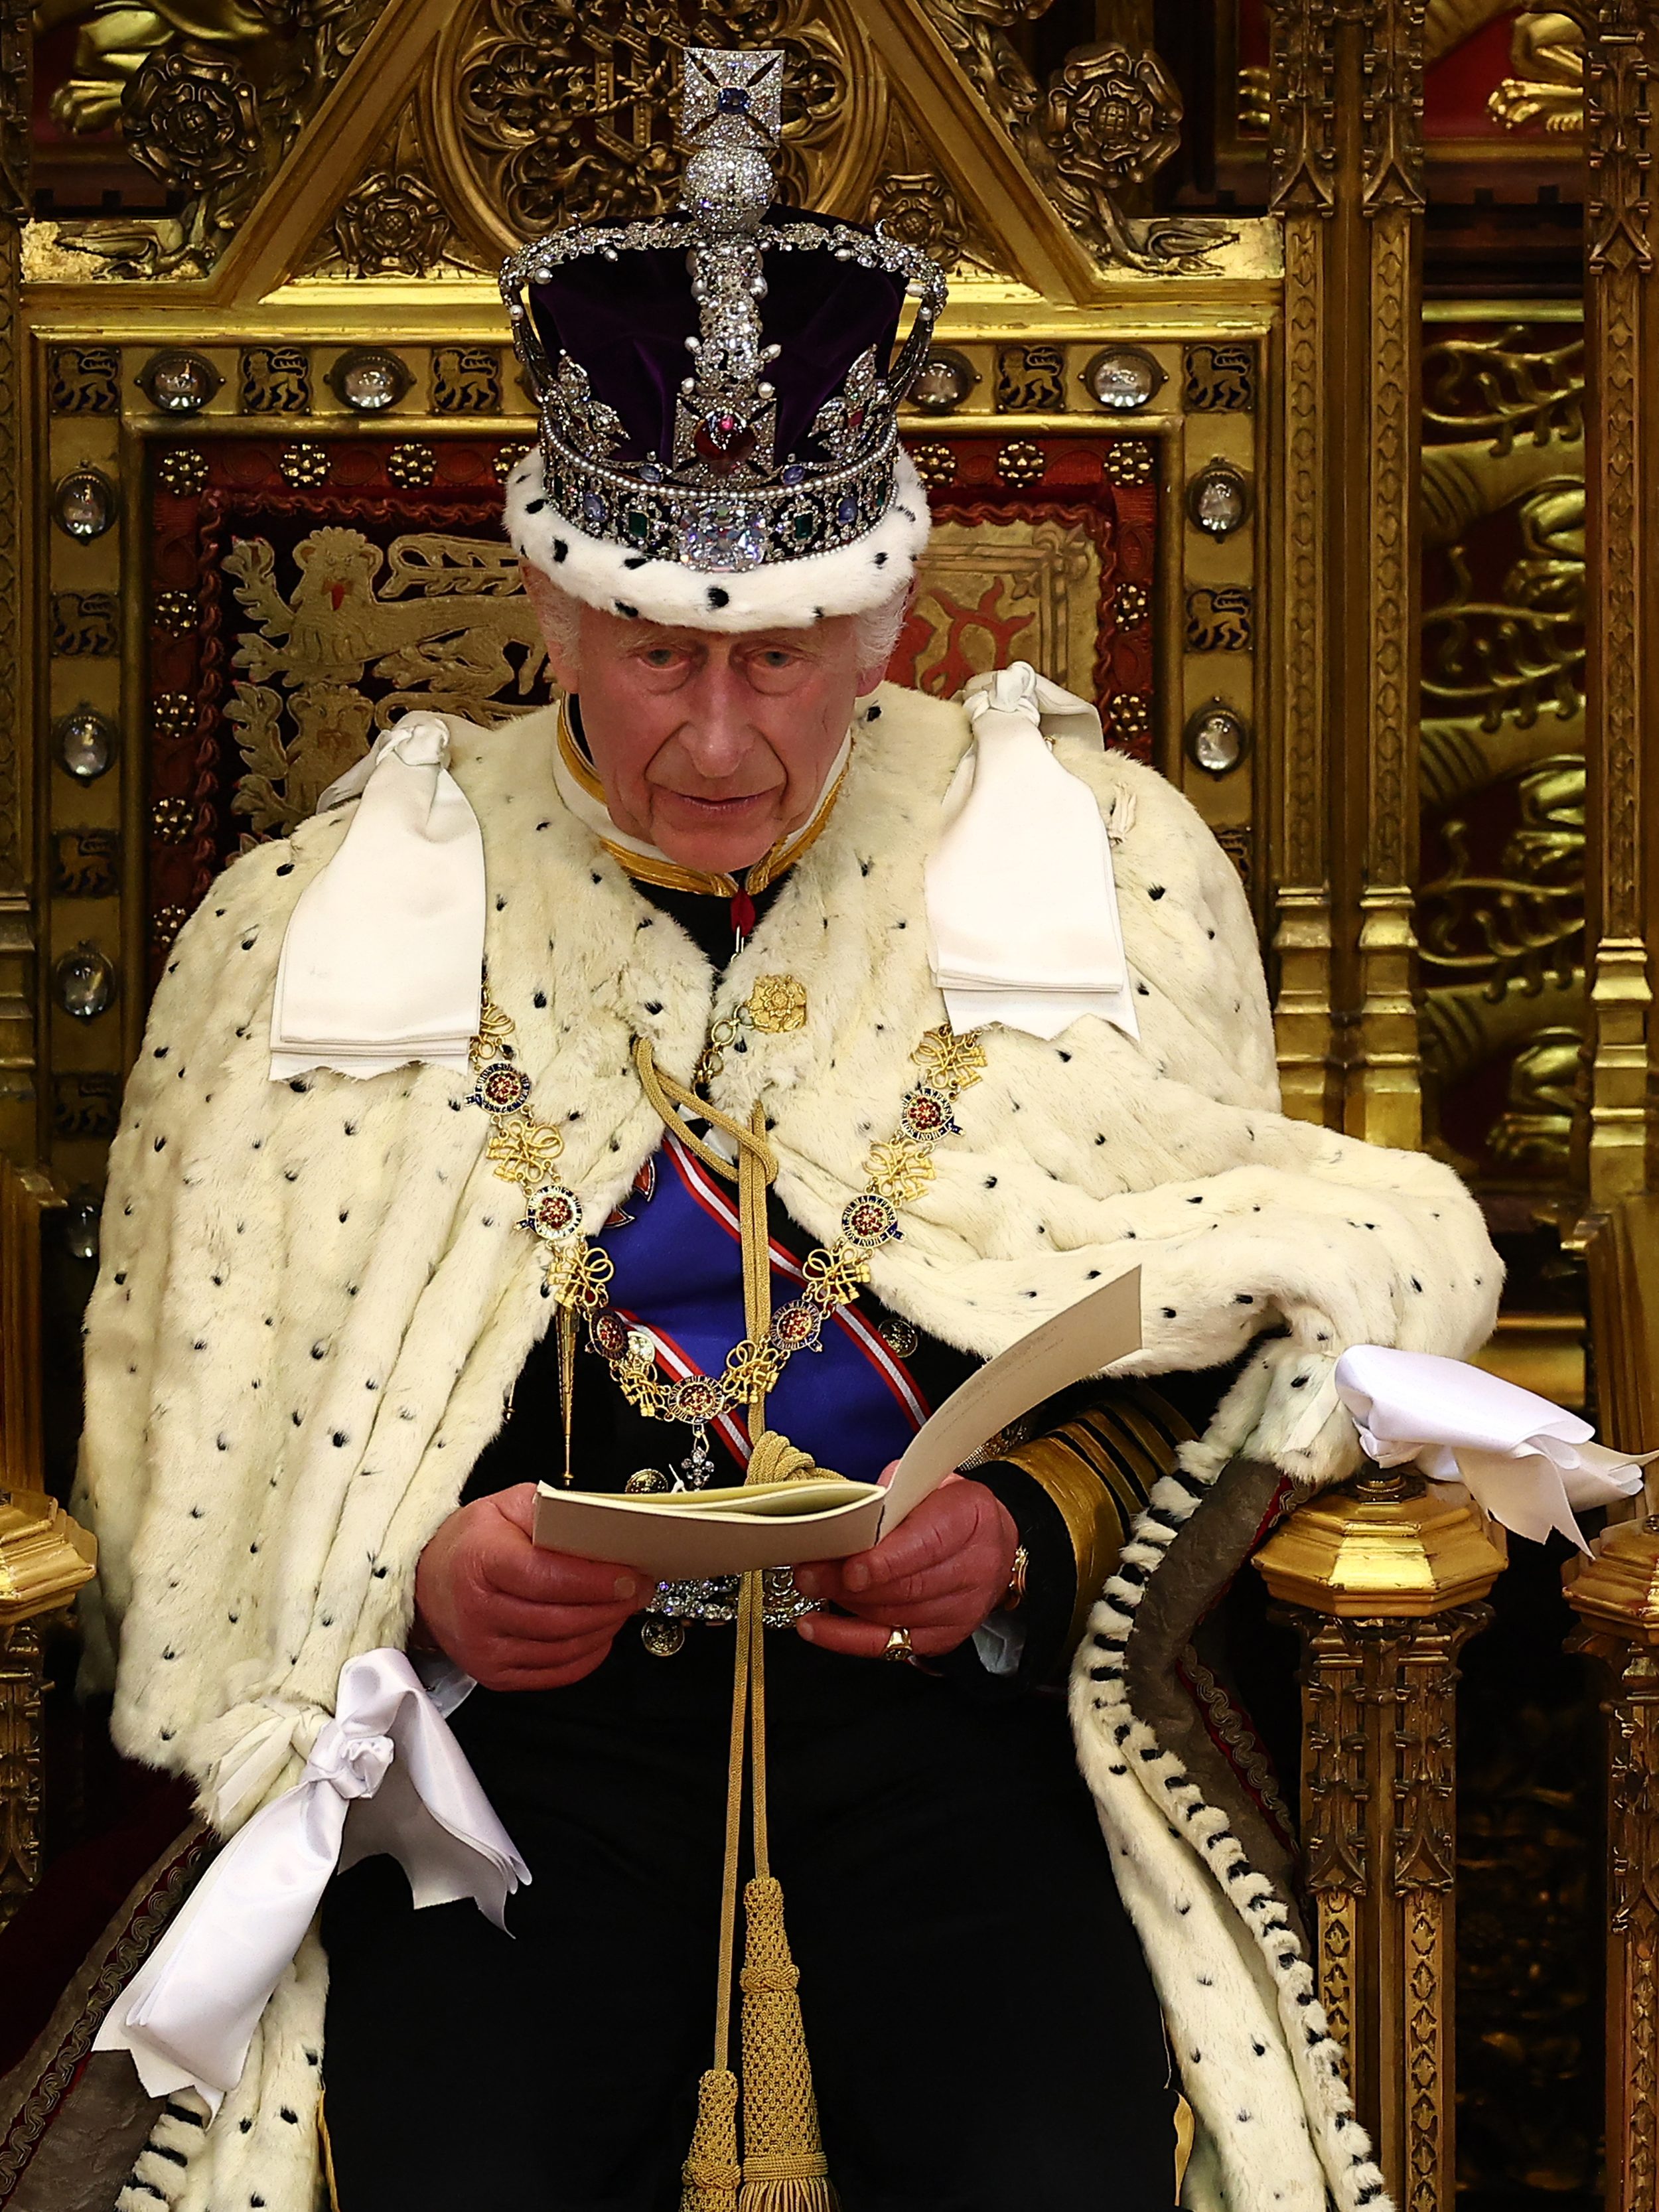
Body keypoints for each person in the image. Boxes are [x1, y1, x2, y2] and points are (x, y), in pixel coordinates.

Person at [75, 46, 1499, 2212]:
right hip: (494, 1758)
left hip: (966, 1732)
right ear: (546, 606)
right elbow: (222, 1436)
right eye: (650, 657)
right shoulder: (310, 926)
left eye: (790, 655)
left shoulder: (1096, 862)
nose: (718, 737)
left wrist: (1019, 1532)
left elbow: (1218, 1313)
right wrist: (426, 1589)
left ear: (891, 617)